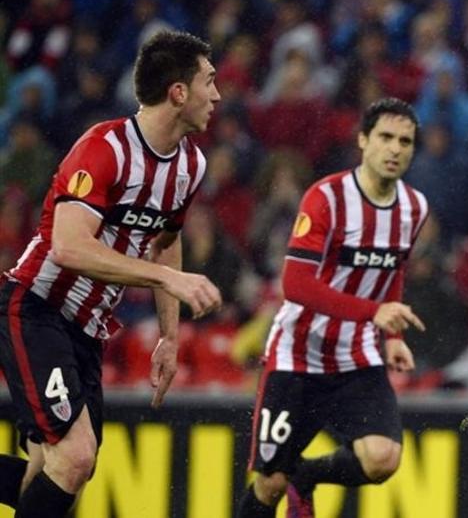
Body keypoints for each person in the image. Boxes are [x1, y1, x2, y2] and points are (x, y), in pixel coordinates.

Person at [0, 31, 223, 517]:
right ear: (178, 92)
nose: (218, 94)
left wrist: (169, 335)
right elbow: (68, 245)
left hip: (86, 328)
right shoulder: (104, 148)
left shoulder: (191, 164)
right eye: (209, 81)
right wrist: (166, 280)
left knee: (61, 469)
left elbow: (166, 242)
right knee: (74, 457)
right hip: (36, 308)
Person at [237, 98, 429, 518]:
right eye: (385, 138)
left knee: (383, 458)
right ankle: (289, 478)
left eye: (405, 141)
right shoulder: (326, 198)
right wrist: (373, 313)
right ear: (363, 141)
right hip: (297, 356)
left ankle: (306, 476)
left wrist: (392, 336)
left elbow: (393, 269)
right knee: (269, 484)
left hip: (354, 356)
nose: (395, 149)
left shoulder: (414, 207)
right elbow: (296, 284)